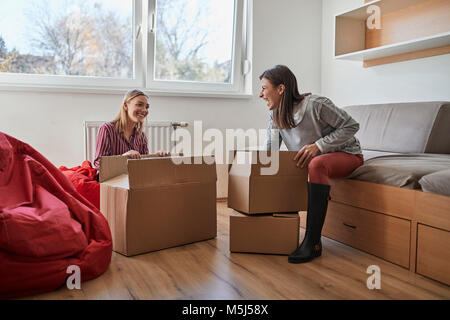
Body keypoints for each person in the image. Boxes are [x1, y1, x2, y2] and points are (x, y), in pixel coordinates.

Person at [259, 65, 364, 264]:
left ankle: (313, 242)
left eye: (264, 88)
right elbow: (270, 151)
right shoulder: (275, 114)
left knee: (316, 164)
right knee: (287, 165)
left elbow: (352, 125)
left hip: (347, 154)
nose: (260, 94)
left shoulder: (317, 104)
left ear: (281, 89)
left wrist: (319, 145)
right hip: (318, 161)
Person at [94, 89, 167, 170]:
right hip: (113, 180)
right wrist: (122, 158)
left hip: (132, 179)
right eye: (139, 104)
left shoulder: (141, 136)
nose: (144, 110)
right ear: (125, 105)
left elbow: (143, 166)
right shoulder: (107, 129)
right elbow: (98, 163)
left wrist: (157, 158)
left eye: (147, 107)